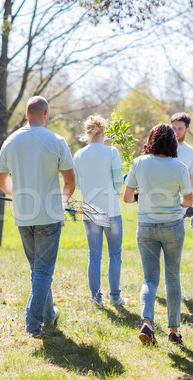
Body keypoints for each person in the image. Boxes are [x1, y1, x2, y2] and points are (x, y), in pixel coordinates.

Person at [0, 96, 75, 337]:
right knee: (43, 271)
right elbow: (70, 181)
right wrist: (62, 202)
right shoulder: (57, 140)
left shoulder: (12, 140)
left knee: (37, 269)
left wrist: (16, 193)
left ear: (27, 115)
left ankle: (49, 315)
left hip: (23, 212)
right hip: (49, 214)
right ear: (46, 114)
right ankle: (32, 322)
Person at [124, 123, 193, 346]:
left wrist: (140, 196)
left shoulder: (139, 163)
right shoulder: (179, 166)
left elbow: (126, 198)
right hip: (172, 225)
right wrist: (176, 202)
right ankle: (173, 330)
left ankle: (147, 323)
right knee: (172, 277)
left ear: (151, 140)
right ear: (173, 142)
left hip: (146, 227)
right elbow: (188, 200)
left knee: (149, 279)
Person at [73, 115, 127, 307]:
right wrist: (115, 192)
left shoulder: (78, 156)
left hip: (89, 210)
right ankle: (115, 296)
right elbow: (119, 180)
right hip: (111, 209)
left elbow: (77, 183)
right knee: (115, 254)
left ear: (87, 134)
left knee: (94, 255)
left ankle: (96, 298)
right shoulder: (111, 152)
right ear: (104, 133)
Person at [170, 112, 193, 228]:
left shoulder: (191, 152)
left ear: (187, 130)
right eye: (174, 128)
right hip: (159, 205)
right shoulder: (162, 147)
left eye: (180, 128)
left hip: (180, 208)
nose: (176, 132)